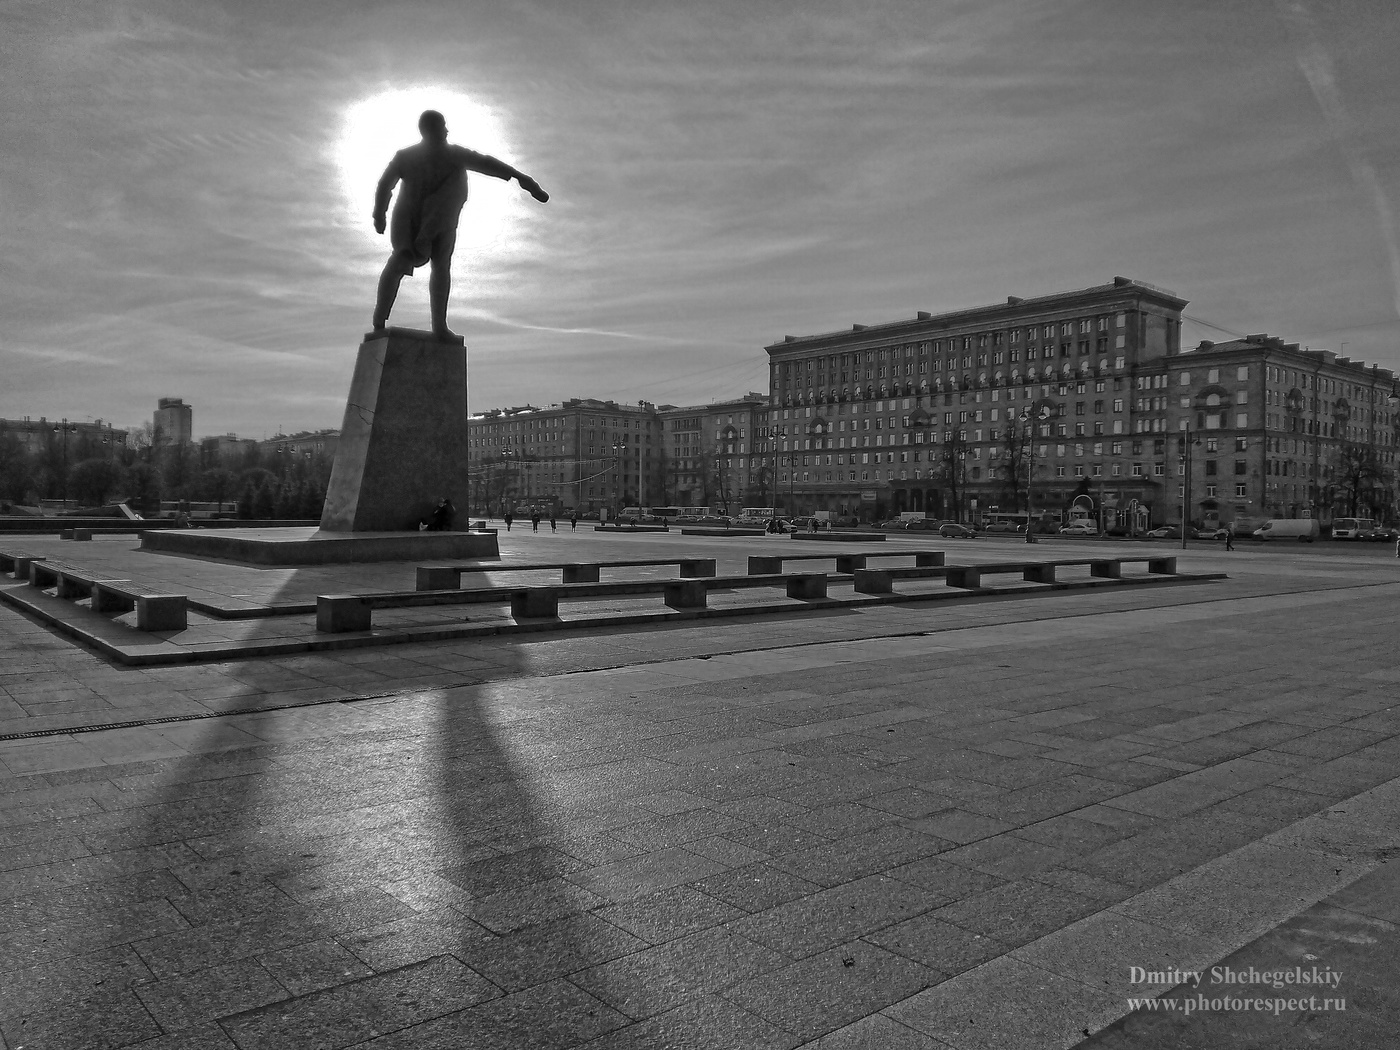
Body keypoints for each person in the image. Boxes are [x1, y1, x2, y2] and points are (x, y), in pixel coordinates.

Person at [372, 110, 548, 338]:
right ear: (429, 130)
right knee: (400, 261)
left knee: (441, 266)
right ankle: (380, 317)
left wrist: (520, 177)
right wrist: (379, 213)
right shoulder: (406, 156)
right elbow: (385, 184)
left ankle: (439, 326)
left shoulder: (454, 154)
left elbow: (486, 162)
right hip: (409, 220)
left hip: (443, 217)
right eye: (442, 126)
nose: (446, 130)